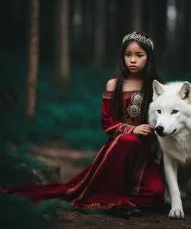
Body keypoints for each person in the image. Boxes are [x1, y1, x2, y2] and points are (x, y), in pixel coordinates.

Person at [0, 31, 165, 218]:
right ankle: (118, 202)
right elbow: (107, 123)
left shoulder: (156, 86)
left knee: (156, 193)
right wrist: (132, 129)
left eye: (139, 55)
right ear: (122, 57)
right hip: (120, 148)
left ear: (148, 58)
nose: (132, 60)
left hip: (143, 155)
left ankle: (123, 201)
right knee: (129, 140)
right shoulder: (114, 84)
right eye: (128, 55)